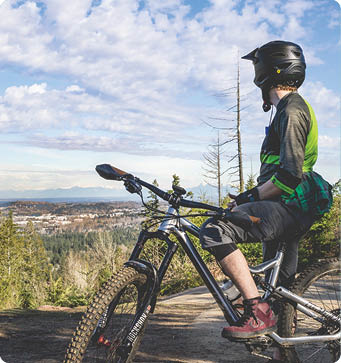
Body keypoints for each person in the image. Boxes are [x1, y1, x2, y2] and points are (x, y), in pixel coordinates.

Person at [199, 41, 333, 345]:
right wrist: (251, 195)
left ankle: (256, 309)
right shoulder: (287, 109)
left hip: (288, 206)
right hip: (287, 205)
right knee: (282, 288)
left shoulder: (293, 110)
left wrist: (250, 198)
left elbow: (288, 175)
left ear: (265, 73)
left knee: (215, 230)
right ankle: (282, 348)